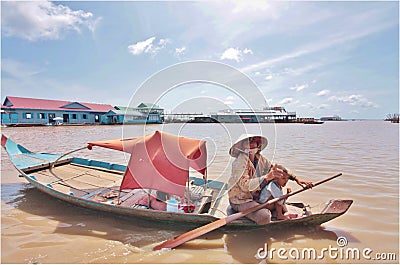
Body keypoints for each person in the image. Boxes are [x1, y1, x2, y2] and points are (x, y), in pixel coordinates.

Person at [228, 134, 313, 225]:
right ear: (241, 146)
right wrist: (267, 177)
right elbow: (245, 186)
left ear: (258, 144)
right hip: (240, 200)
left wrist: (296, 179)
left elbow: (277, 169)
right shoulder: (240, 161)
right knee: (264, 216)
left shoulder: (260, 158)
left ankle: (283, 212)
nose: (251, 144)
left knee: (275, 181)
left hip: (254, 196)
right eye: (248, 142)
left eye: (254, 141)